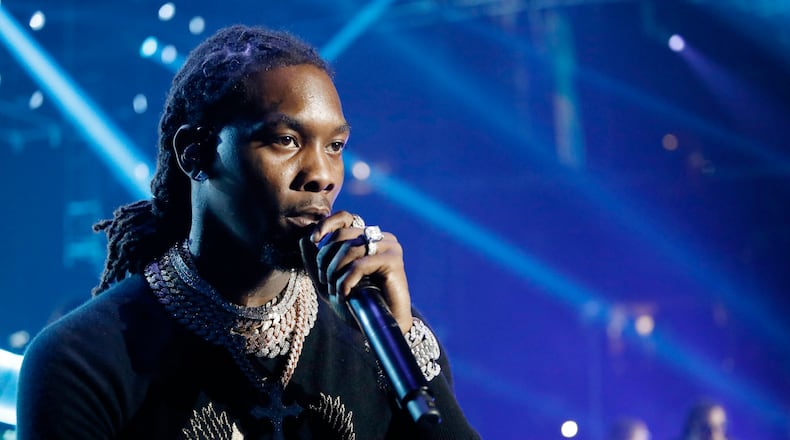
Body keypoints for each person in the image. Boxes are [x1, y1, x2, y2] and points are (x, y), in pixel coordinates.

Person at [16, 25, 479, 439]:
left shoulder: (373, 335)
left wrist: (399, 341)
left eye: (335, 145)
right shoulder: (82, 361)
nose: (322, 174)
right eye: (285, 140)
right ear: (196, 155)